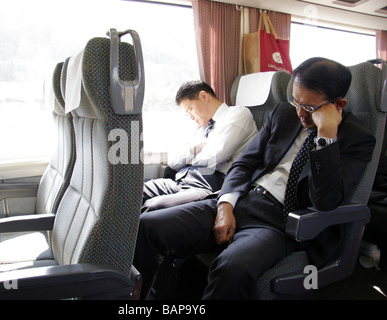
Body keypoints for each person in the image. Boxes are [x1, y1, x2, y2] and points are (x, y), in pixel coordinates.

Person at [133, 57, 376, 299]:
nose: (300, 113)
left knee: (232, 268)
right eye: (296, 101)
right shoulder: (283, 113)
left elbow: (325, 201)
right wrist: (225, 206)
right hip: (241, 201)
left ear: (338, 104)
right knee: (147, 227)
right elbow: (244, 163)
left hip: (277, 222)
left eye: (310, 108)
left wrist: (326, 137)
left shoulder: (357, 139)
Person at [142, 81, 258, 212]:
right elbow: (173, 162)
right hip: (181, 180)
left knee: (153, 206)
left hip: (207, 184)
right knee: (132, 192)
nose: (190, 117)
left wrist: (190, 159)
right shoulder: (199, 127)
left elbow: (215, 156)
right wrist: (194, 149)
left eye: (190, 109)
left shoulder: (238, 114)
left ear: (204, 96)